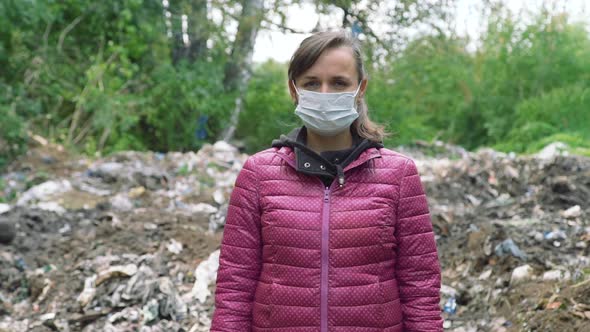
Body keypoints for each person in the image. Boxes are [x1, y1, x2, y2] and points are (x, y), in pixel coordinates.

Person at [210, 30, 443, 332]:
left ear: (360, 89)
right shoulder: (259, 174)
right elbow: (235, 288)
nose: (324, 93)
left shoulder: (398, 175)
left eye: (338, 83)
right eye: (311, 83)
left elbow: (420, 288)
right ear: (294, 90)